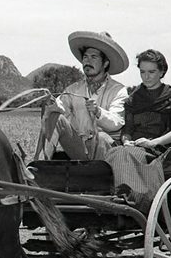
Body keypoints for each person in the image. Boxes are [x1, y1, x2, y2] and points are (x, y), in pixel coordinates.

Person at [105, 49, 171, 213]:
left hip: (161, 150)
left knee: (125, 154)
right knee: (115, 152)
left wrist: (153, 142)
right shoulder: (133, 98)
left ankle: (136, 198)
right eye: (142, 72)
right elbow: (127, 129)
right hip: (135, 146)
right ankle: (119, 194)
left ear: (162, 72)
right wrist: (126, 140)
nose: (146, 76)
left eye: (151, 72)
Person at [38, 31, 129, 161]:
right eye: (85, 57)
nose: (87, 61)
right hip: (80, 147)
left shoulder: (118, 90)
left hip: (107, 152)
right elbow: (59, 107)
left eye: (93, 57)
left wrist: (98, 112)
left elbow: (116, 123)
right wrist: (51, 104)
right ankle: (39, 165)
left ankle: (99, 176)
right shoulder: (74, 89)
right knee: (55, 117)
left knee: (102, 137)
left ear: (105, 63)